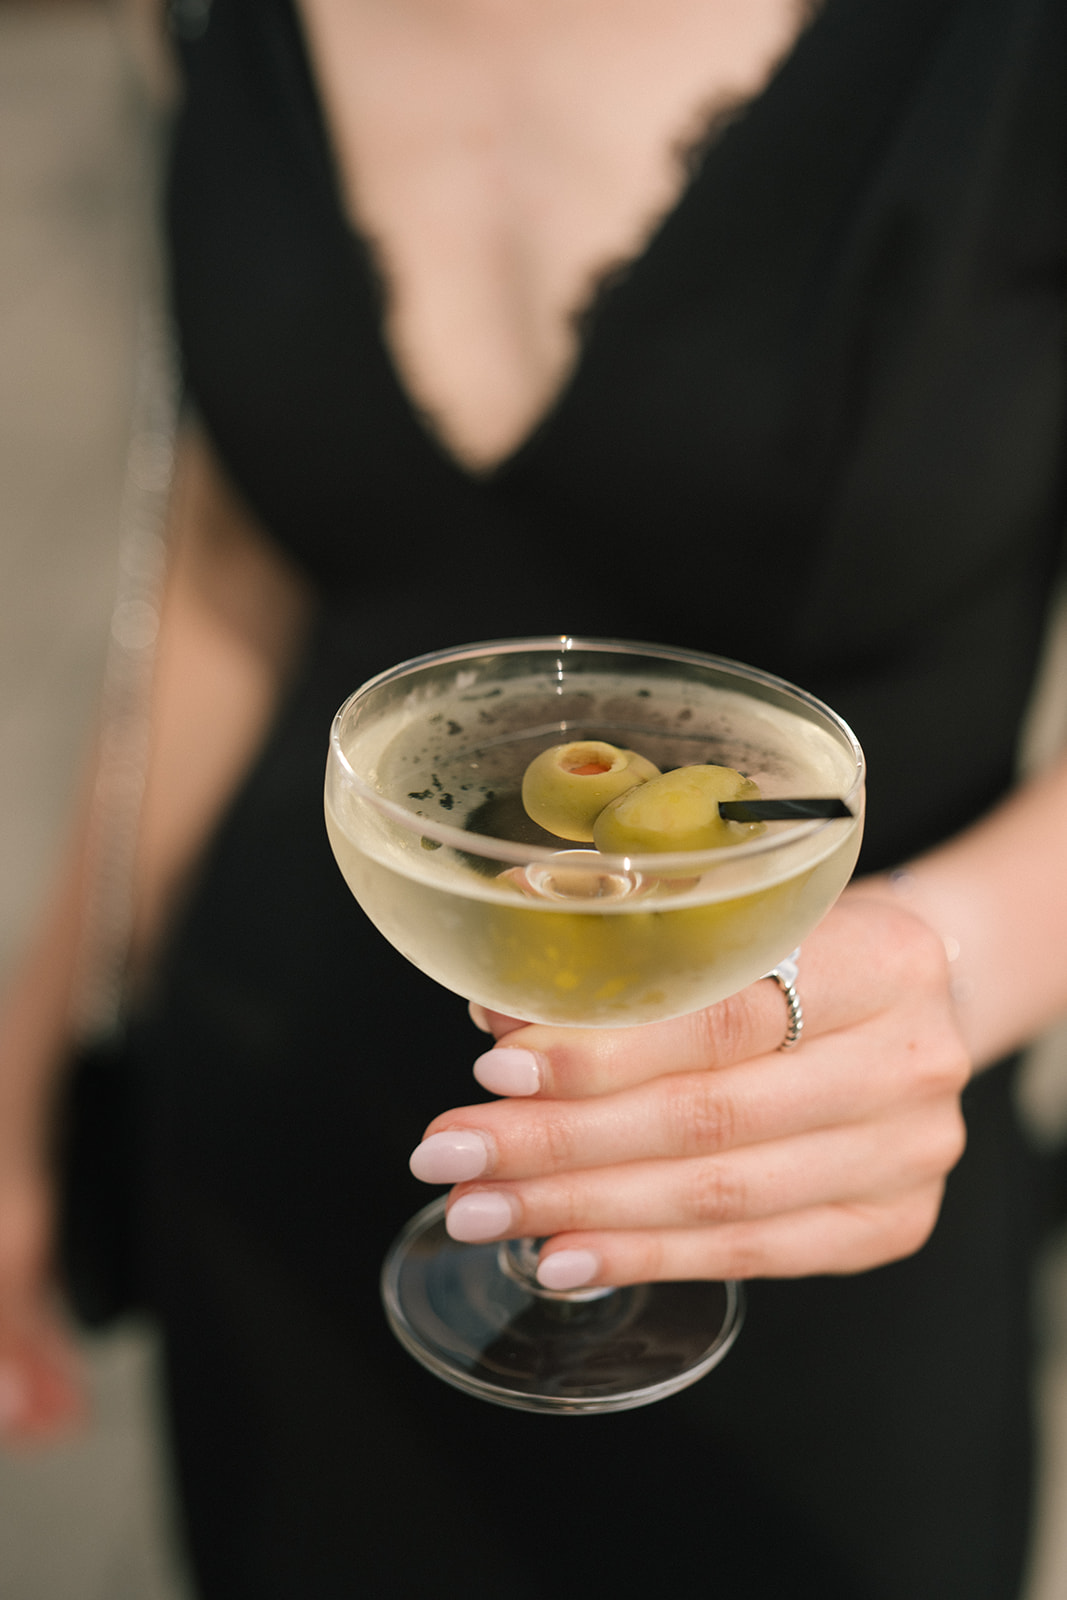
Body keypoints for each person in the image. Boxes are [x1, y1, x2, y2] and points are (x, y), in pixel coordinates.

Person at [1, 0, 1066, 1594]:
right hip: (281, 1154)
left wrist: (958, 958)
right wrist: (15, 1078)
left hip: (802, 1191)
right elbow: (235, 563)